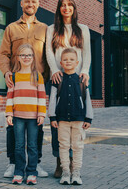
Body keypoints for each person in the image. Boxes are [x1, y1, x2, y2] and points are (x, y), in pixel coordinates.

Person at [0, 0, 48, 178]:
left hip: (37, 84)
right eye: (27, 1)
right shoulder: (11, 28)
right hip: (16, 83)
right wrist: (6, 72)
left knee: (38, 126)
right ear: (21, 4)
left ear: (38, 4)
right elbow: (3, 53)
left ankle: (36, 165)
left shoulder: (44, 28)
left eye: (34, 2)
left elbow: (48, 56)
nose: (30, 5)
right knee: (12, 126)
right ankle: (13, 163)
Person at [45, 0, 91, 178]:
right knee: (58, 121)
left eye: (69, 5)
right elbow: (49, 51)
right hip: (58, 79)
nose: (66, 8)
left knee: (76, 122)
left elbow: (87, 52)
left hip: (78, 79)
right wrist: (54, 69)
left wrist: (85, 70)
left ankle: (73, 163)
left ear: (74, 8)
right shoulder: (52, 29)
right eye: (63, 5)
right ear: (59, 8)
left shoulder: (83, 29)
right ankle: (60, 161)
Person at [48, 48, 93, 185]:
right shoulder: (57, 80)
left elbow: (87, 100)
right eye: (65, 59)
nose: (68, 62)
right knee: (63, 146)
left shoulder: (81, 80)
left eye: (71, 59)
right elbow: (53, 100)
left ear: (77, 62)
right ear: (61, 62)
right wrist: (52, 117)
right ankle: (65, 172)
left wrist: (88, 118)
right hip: (62, 121)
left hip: (78, 119)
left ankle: (76, 172)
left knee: (78, 146)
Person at [5, 44, 46, 185]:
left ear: (33, 58)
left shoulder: (37, 76)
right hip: (18, 117)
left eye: (29, 55)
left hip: (33, 117)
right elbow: (9, 97)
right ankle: (18, 172)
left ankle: (31, 172)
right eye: (23, 55)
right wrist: (9, 114)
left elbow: (42, 96)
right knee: (19, 145)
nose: (26, 57)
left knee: (33, 146)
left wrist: (42, 113)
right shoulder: (14, 77)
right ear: (18, 58)